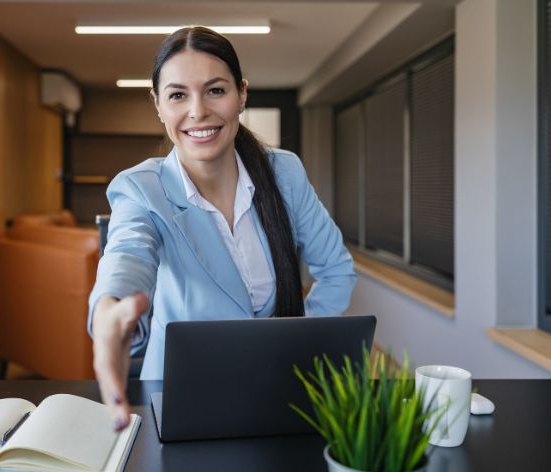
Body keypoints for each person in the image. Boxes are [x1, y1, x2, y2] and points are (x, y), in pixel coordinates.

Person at [87, 26, 356, 430]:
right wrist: (110, 308)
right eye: (178, 95)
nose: (198, 111)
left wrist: (300, 343)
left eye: (215, 90)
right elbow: (128, 251)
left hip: (280, 390)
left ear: (242, 94)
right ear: (158, 104)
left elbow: (336, 270)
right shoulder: (141, 188)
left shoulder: (284, 173)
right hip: (178, 397)